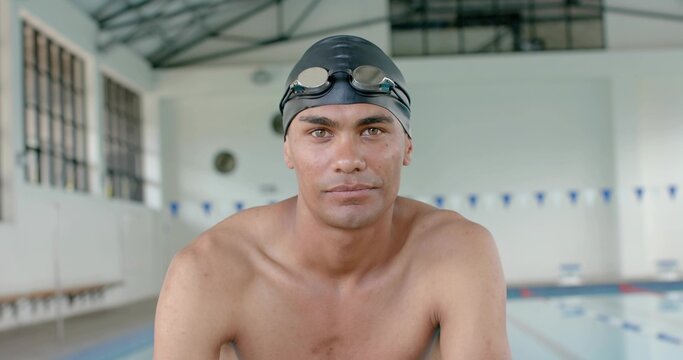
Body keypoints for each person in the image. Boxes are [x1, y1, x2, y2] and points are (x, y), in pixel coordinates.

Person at [154, 35, 510, 359]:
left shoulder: (457, 253)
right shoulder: (210, 270)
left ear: (408, 146)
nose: (348, 160)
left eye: (372, 130)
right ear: (288, 152)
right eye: (320, 132)